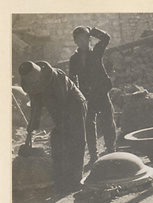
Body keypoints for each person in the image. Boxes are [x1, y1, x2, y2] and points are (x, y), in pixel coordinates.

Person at [20, 61, 87, 194]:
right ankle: (61, 180)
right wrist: (31, 126)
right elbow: (35, 107)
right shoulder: (32, 86)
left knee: (75, 140)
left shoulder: (56, 77)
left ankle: (75, 180)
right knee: (57, 141)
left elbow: (62, 102)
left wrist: (63, 126)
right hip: (57, 110)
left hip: (74, 104)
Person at [69, 26, 117, 163]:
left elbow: (106, 38)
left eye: (85, 38)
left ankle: (111, 151)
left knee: (108, 121)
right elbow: (72, 79)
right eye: (79, 39)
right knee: (89, 126)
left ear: (89, 39)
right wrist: (76, 97)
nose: (82, 42)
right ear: (75, 42)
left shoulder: (96, 52)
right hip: (86, 96)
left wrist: (92, 29)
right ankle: (94, 156)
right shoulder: (74, 59)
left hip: (101, 92)